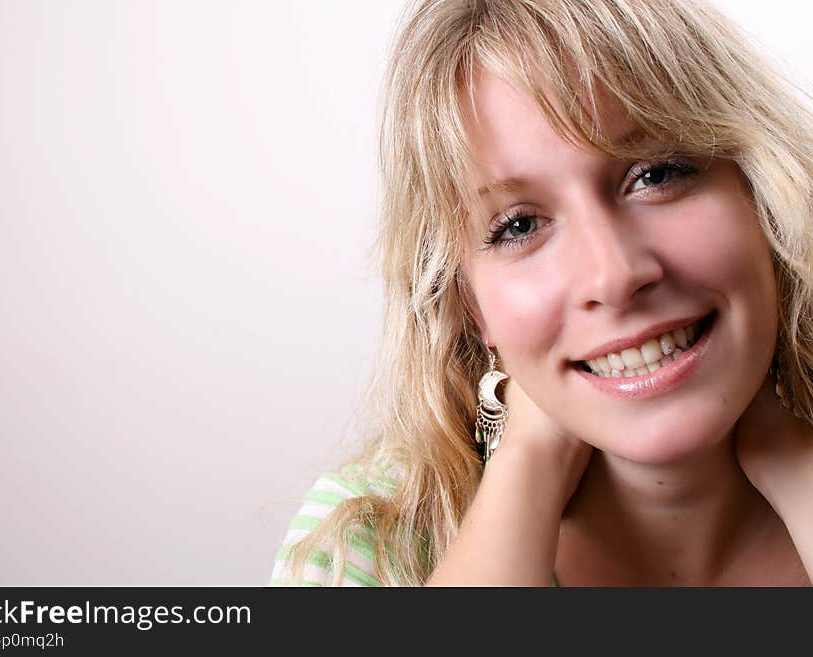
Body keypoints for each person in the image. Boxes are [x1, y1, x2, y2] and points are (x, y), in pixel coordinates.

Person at [268, 0, 813, 587]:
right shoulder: (366, 542)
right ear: (469, 304)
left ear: (763, 191)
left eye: (656, 173)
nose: (613, 275)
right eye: (519, 226)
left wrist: (796, 464)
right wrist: (527, 465)